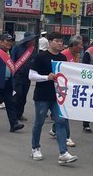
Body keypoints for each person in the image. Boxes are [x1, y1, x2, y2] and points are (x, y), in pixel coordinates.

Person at [29, 31, 77, 164]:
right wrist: (46, 77)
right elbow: (31, 75)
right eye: (56, 41)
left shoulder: (62, 58)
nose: (60, 43)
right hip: (42, 96)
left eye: (61, 41)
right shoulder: (41, 57)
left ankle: (63, 152)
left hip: (58, 96)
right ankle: (35, 148)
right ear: (49, 42)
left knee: (61, 122)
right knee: (39, 122)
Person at [11, 31, 38, 122]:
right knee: (17, 95)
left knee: (23, 97)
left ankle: (19, 114)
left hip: (27, 77)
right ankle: (13, 115)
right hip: (17, 76)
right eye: (32, 39)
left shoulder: (33, 50)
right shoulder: (17, 48)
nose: (34, 41)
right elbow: (11, 60)